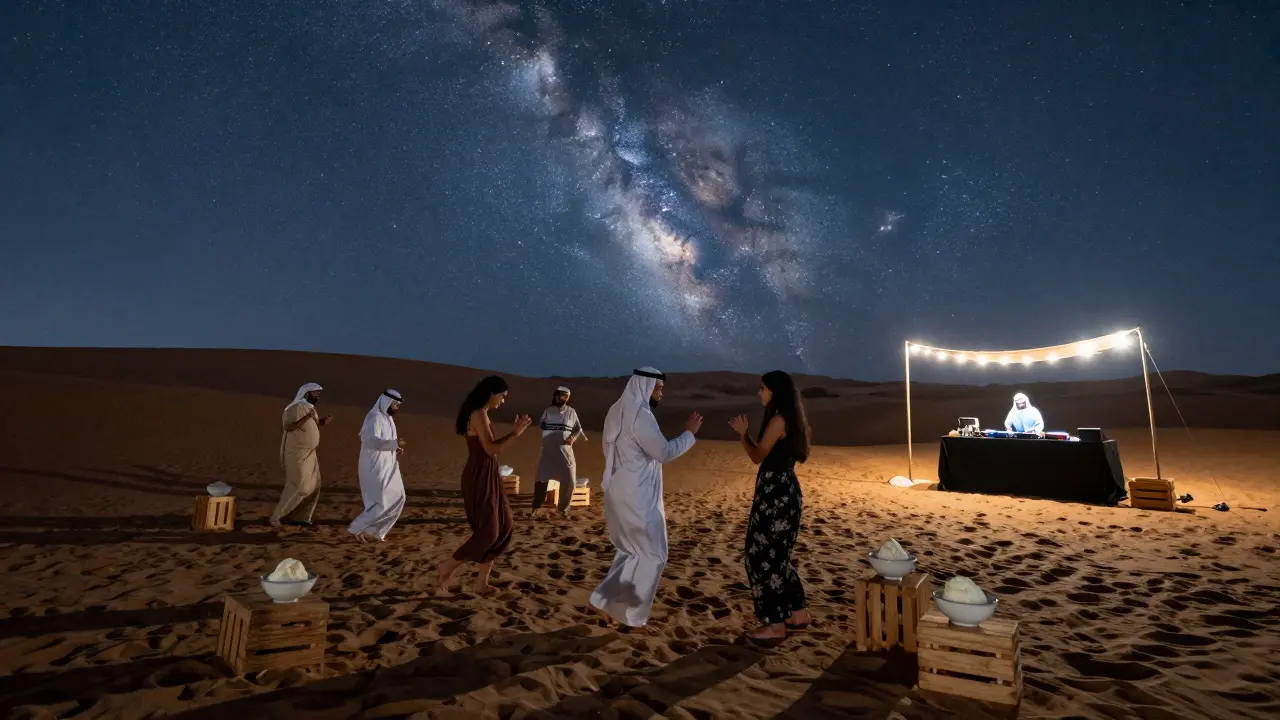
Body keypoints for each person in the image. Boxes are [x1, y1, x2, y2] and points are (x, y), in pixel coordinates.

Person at [590, 367, 703, 633]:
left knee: (630, 552)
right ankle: (631, 617)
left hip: (618, 492)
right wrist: (689, 434)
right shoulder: (640, 415)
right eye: (658, 387)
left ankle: (607, 604)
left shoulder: (616, 409)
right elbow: (663, 452)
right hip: (637, 497)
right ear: (644, 384)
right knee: (654, 555)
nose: (661, 392)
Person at [728, 370, 813, 643]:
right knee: (778, 556)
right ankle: (797, 613)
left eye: (763, 388)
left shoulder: (778, 420)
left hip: (775, 495)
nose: (759, 392)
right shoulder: (790, 418)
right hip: (783, 492)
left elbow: (757, 456)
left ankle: (774, 624)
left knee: (759, 557)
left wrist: (744, 435)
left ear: (776, 391)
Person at [436, 376, 532, 596]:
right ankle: (447, 566)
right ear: (491, 393)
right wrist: (515, 433)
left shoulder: (483, 414)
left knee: (505, 527)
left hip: (489, 474)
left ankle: (481, 583)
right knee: (489, 532)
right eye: (502, 396)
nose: (503, 401)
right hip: (479, 475)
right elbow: (490, 449)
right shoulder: (478, 414)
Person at [270, 383, 331, 528]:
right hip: (297, 453)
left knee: (314, 485)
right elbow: (289, 426)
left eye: (319, 394)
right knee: (299, 485)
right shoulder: (295, 407)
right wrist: (307, 417)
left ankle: (299, 517)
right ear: (306, 393)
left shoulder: (310, 408)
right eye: (316, 393)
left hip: (310, 454)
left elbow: (313, 423)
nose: (318, 396)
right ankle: (276, 517)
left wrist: (322, 421)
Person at [348, 389, 406, 543]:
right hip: (375, 466)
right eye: (395, 405)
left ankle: (374, 531)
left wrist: (396, 448)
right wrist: (395, 443)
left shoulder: (388, 419)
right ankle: (356, 528)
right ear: (386, 402)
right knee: (381, 502)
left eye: (398, 405)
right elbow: (371, 441)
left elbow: (385, 442)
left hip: (390, 465)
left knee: (398, 497)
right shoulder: (374, 417)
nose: (396, 408)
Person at [531, 385, 587, 518]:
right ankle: (536, 508)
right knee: (541, 479)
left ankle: (563, 509)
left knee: (569, 479)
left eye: (564, 396)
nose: (560, 398)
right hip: (549, 450)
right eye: (559, 395)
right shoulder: (548, 411)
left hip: (565, 451)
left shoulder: (571, 412)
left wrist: (571, 438)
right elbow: (542, 424)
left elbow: (578, 428)